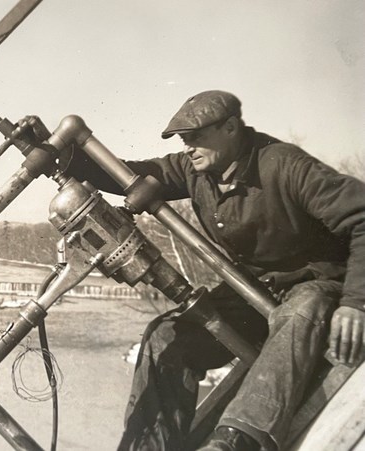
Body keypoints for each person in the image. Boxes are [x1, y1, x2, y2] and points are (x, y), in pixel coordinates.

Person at [64, 90, 365, 450]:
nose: (188, 147)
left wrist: (356, 301)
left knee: (299, 312)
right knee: (166, 335)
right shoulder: (196, 171)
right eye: (184, 141)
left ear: (231, 128)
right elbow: (130, 175)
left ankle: (234, 442)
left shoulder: (285, 165)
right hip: (257, 291)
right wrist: (66, 157)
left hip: (317, 285)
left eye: (196, 138)